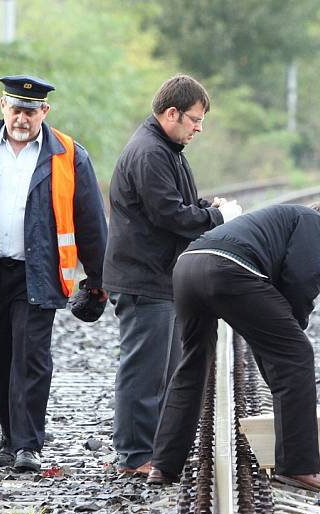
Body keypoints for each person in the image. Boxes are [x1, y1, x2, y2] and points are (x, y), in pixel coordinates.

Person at [0, 75, 108, 472]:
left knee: (31, 357)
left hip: (39, 271)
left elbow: (91, 220)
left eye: (30, 111)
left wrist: (97, 279)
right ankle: (9, 434)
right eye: (15, 109)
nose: (21, 118)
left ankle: (28, 444)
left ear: (44, 112)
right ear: (2, 106)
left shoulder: (68, 154)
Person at [147, 200, 320, 491]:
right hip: (228, 269)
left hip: (188, 267)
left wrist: (279, 340)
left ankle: (163, 465)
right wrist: (292, 335)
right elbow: (301, 280)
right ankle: (299, 468)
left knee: (193, 363)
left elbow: (268, 311)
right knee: (298, 354)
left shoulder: (279, 223)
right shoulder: (312, 221)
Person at [102, 74, 242, 476]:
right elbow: (170, 215)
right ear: (171, 113)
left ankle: (155, 450)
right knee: (144, 371)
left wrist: (207, 205)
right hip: (143, 279)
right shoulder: (151, 152)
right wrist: (218, 216)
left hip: (160, 277)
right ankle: (133, 456)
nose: (199, 128)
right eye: (195, 120)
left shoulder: (167, 148)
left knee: (165, 369)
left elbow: (177, 201)